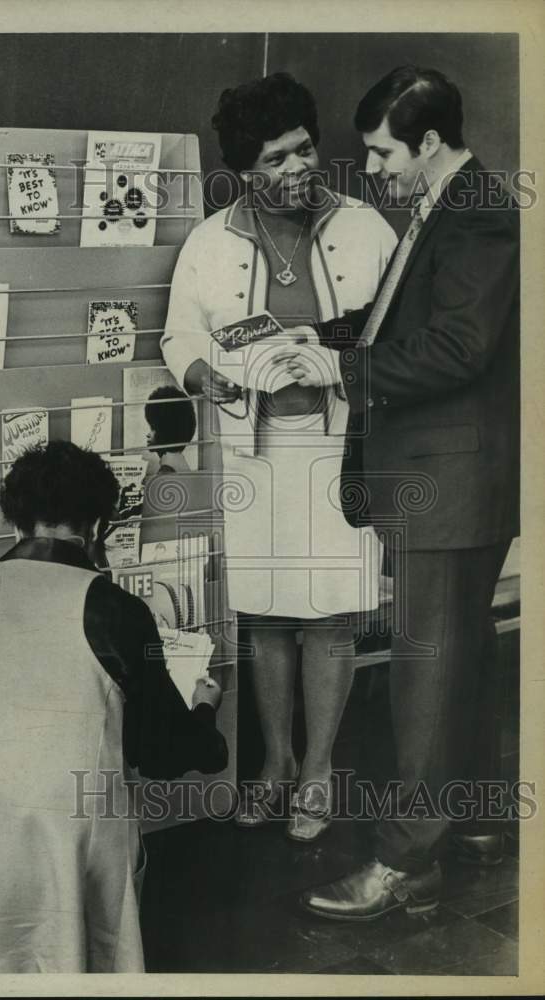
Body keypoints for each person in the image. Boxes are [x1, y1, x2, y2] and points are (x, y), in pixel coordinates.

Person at [278, 67, 519, 919]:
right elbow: (400, 322)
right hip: (449, 481)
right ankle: (479, 822)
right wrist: (327, 334)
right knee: (462, 657)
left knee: (424, 672)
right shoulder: (444, 206)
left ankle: (405, 864)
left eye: (381, 151)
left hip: (447, 485)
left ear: (427, 142)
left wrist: (339, 368)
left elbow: (458, 349)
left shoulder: (481, 212)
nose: (370, 168)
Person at [161, 73, 397, 840]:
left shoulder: (367, 228)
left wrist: (331, 360)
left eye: (304, 150)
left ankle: (320, 768)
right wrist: (209, 377)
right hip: (255, 453)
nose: (297, 169)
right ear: (243, 169)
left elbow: (399, 339)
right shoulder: (210, 241)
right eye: (275, 159)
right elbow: (181, 338)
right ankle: (274, 765)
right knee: (265, 617)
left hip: (339, 448)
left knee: (329, 619)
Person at [0, 441, 228, 972]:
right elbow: (160, 755)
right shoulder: (120, 611)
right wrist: (203, 711)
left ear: (15, 523)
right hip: (74, 847)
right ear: (99, 526)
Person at [144, 384, 198, 476]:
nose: (148, 434)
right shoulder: (182, 466)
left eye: (153, 428)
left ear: (165, 432)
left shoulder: (165, 474)